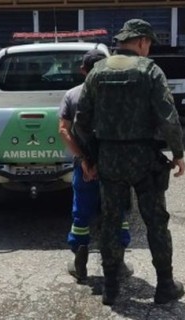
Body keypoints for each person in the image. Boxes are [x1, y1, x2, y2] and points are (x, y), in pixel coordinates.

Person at [74, 19, 185, 305]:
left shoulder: (97, 72)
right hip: (144, 159)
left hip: (109, 160)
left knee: (110, 222)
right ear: (141, 41)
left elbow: (80, 122)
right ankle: (164, 286)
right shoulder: (150, 71)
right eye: (148, 43)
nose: (149, 48)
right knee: (156, 222)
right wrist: (178, 153)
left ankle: (111, 289)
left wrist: (89, 156)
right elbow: (168, 117)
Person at [58, 49, 133, 283]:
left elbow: (63, 130)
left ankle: (80, 263)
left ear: (83, 70)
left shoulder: (72, 95)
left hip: (85, 166)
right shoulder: (120, 95)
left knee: (81, 212)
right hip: (114, 165)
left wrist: (83, 160)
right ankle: (117, 262)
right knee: (117, 212)